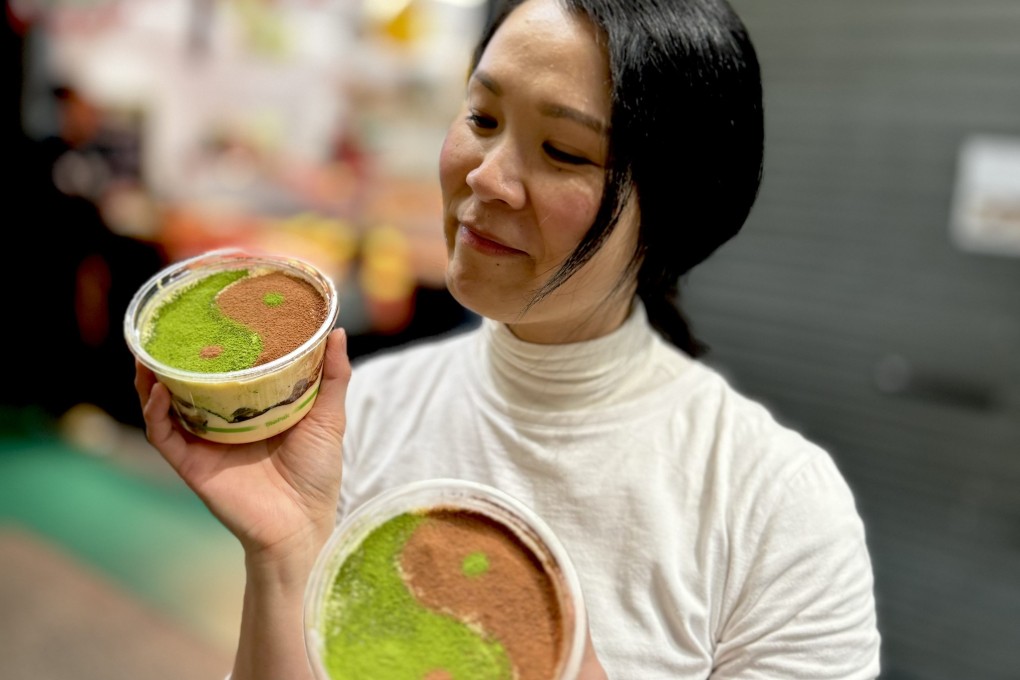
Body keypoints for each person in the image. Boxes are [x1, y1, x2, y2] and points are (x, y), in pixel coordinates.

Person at [134, 0, 882, 677]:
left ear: (677, 211)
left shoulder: (775, 507)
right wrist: (285, 554)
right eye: (483, 119)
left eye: (564, 152)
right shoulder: (363, 412)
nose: (488, 178)